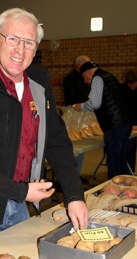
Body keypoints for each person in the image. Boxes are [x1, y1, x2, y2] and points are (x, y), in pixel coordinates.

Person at [0, 7, 88, 250]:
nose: (20, 50)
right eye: (12, 39)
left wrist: (74, 196)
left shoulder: (39, 84)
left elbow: (57, 141)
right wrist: (21, 192)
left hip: (19, 202)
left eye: (29, 42)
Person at [74, 61, 132, 179]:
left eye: (84, 77)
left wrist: (81, 106)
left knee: (113, 161)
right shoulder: (109, 76)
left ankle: (114, 188)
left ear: (88, 72)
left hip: (114, 125)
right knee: (121, 158)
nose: (85, 81)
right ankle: (126, 187)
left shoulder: (97, 78)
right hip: (124, 122)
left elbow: (94, 103)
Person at [63, 55, 91, 183]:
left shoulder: (83, 77)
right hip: (74, 115)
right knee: (74, 149)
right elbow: (72, 98)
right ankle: (72, 177)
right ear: (79, 66)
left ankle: (77, 175)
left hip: (83, 113)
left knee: (82, 149)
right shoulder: (70, 79)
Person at [121, 69, 137, 173]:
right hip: (126, 123)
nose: (132, 86)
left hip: (135, 122)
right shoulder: (121, 89)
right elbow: (121, 109)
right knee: (128, 147)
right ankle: (128, 172)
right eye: (129, 84)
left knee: (131, 147)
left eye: (134, 84)